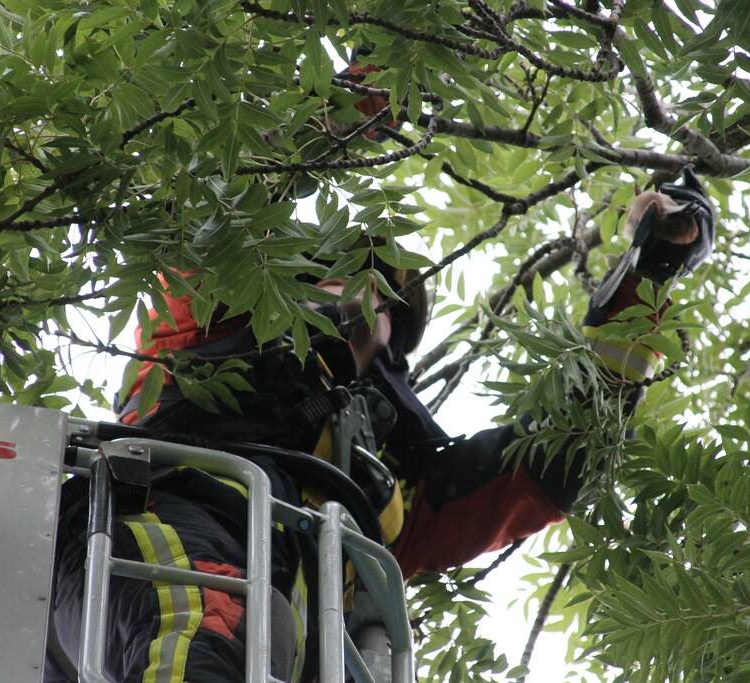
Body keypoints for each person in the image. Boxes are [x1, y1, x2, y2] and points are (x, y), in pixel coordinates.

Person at [44, 60, 716, 683]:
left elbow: (559, 457)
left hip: (282, 632)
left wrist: (648, 274)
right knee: (202, 630)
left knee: (246, 637)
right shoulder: (206, 317)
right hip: (151, 528)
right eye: (341, 265)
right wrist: (388, 75)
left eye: (388, 291)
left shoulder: (396, 478)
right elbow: (229, 183)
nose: (366, 291)